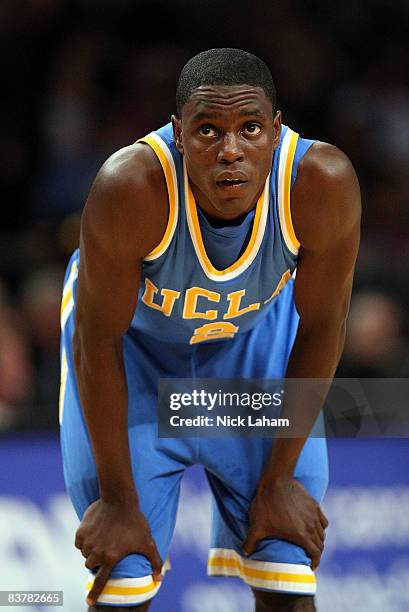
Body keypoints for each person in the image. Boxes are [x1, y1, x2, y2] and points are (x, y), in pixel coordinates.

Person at [59, 48, 361, 611]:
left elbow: (322, 325)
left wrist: (277, 482)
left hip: (249, 351)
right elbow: (96, 339)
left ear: (276, 131)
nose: (230, 151)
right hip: (134, 358)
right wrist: (120, 501)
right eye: (207, 131)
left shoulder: (320, 182)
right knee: (123, 574)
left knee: (286, 562)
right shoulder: (131, 186)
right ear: (177, 134)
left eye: (250, 129)